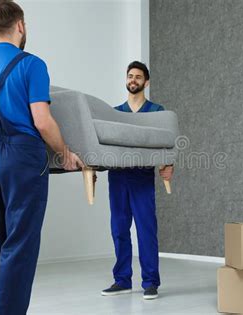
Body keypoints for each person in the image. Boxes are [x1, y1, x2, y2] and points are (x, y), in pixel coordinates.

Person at [0, 1, 83, 313]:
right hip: (23, 156)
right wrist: (64, 153)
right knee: (20, 241)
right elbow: (42, 121)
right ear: (21, 25)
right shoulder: (32, 64)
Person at [101, 61, 174, 300]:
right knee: (119, 230)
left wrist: (169, 165)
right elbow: (104, 145)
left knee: (146, 230)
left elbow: (166, 142)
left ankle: (150, 282)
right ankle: (122, 280)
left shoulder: (156, 112)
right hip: (118, 177)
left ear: (146, 82)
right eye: (130, 76)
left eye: (138, 77)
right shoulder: (114, 113)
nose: (133, 80)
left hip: (142, 177)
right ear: (126, 80)